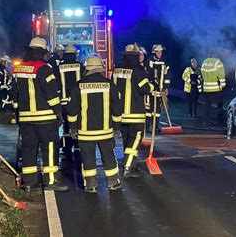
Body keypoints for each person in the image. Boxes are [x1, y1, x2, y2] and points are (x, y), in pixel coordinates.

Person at [10, 37, 68, 192]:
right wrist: (58, 113)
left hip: (25, 119)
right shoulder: (44, 69)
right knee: (49, 147)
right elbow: (51, 94)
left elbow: (15, 94)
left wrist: (17, 113)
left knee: (28, 148)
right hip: (45, 118)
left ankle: (29, 182)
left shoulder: (18, 69)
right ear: (42, 52)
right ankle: (51, 180)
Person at [67, 55, 123, 193]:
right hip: (105, 131)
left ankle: (91, 185)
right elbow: (117, 108)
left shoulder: (78, 85)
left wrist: (73, 128)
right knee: (109, 157)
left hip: (85, 132)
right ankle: (113, 182)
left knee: (88, 158)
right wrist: (116, 127)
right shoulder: (109, 85)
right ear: (99, 69)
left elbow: (72, 109)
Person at [113, 43, 154, 178]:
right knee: (135, 139)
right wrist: (152, 86)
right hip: (135, 113)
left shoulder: (117, 69)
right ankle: (128, 166)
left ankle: (132, 164)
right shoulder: (138, 70)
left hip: (120, 113)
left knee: (126, 140)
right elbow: (145, 89)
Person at [58, 44, 85, 159]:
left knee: (66, 126)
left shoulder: (59, 67)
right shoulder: (80, 66)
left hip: (63, 102)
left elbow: (56, 84)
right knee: (78, 124)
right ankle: (78, 146)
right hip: (78, 101)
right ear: (75, 55)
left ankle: (66, 147)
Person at [145, 44, 170, 132]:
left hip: (160, 90)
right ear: (154, 53)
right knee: (149, 109)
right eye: (158, 52)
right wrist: (154, 84)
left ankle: (155, 127)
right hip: (151, 90)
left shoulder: (164, 62)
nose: (160, 54)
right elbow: (149, 75)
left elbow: (167, 76)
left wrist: (166, 87)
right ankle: (147, 127)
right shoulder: (149, 62)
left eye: (161, 52)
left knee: (157, 111)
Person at [201, 53, 226, 124]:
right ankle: (219, 120)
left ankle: (205, 120)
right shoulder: (218, 62)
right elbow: (221, 75)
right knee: (219, 104)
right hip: (216, 88)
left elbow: (202, 73)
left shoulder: (204, 62)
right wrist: (223, 84)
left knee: (207, 105)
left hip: (206, 87)